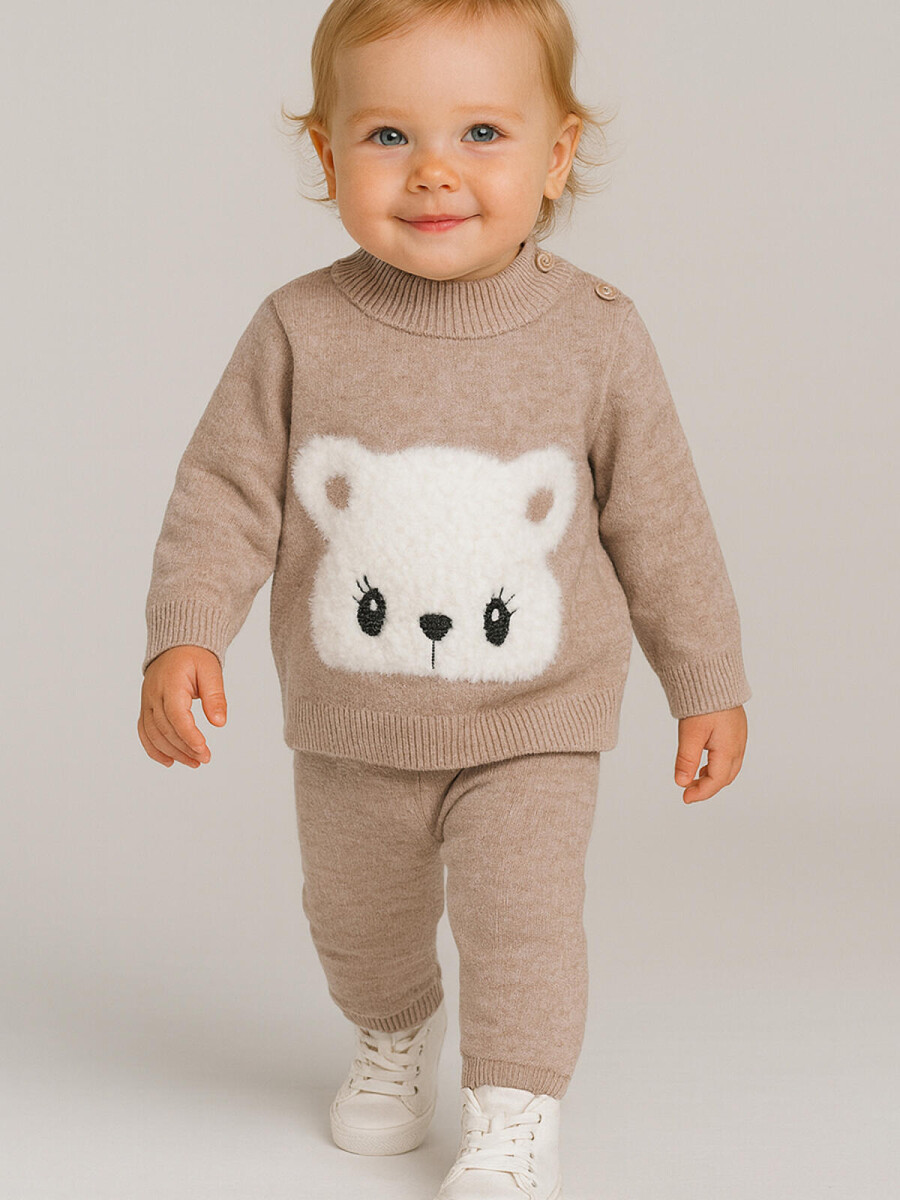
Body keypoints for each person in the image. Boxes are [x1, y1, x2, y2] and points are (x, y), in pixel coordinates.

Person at [137, 1, 751, 1195]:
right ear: (327, 155)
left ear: (556, 155)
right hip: (351, 725)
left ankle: (514, 1107)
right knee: (355, 917)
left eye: (480, 132)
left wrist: (706, 678)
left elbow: (662, 521)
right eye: (388, 136)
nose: (433, 171)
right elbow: (223, 491)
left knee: (523, 917)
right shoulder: (299, 328)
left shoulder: (597, 336)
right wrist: (186, 630)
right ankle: (393, 1031)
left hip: (534, 722)